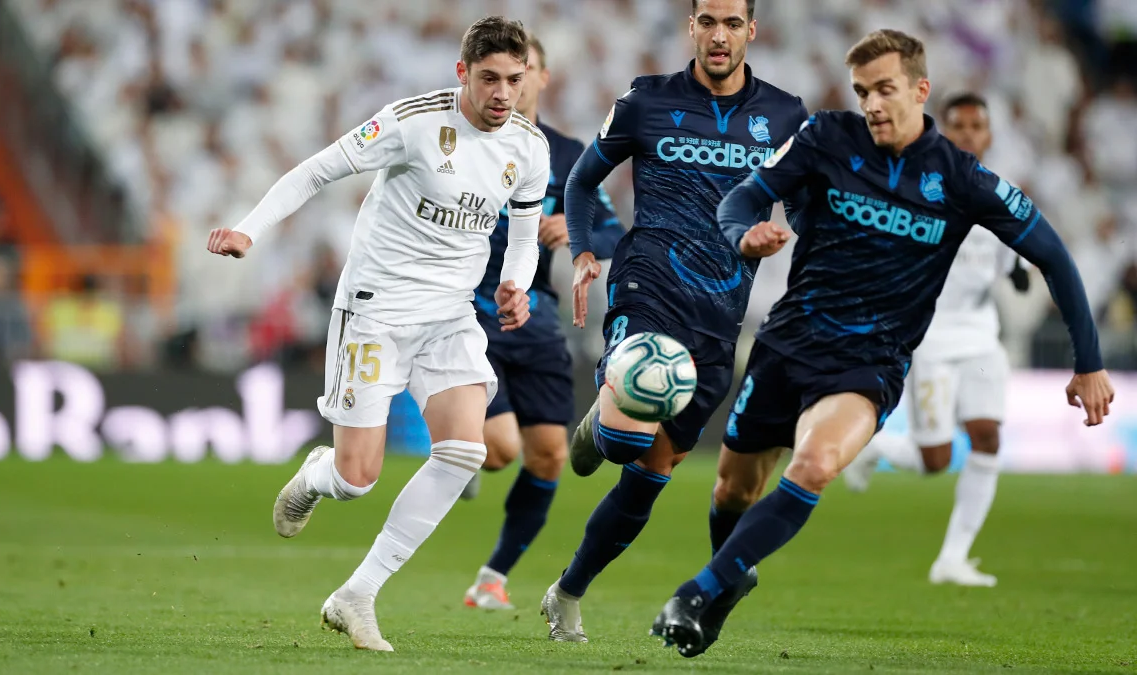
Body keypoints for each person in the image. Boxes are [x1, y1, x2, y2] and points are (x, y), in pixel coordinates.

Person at [652, 29, 1114, 658]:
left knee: (814, 465)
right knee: (731, 491)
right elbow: (744, 197)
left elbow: (1054, 255)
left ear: (920, 90)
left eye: (885, 89)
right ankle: (730, 577)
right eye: (863, 91)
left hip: (869, 363)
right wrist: (743, 235)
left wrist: (1089, 363)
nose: (871, 104)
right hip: (787, 345)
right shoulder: (825, 137)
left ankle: (697, 592)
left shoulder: (961, 177)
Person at [206, 16, 549, 652]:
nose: (503, 93)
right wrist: (249, 230)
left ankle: (356, 594)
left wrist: (516, 284)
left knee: (464, 452)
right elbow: (315, 172)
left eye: (514, 79)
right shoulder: (412, 122)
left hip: (450, 316)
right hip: (375, 311)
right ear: (462, 73)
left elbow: (525, 235)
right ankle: (319, 475)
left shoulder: (528, 147)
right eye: (489, 79)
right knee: (357, 478)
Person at [539, 0, 808, 642]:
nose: (719, 35)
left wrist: (794, 240)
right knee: (628, 439)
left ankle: (567, 591)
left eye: (732, 23)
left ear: (751, 30)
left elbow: (806, 205)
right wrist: (583, 252)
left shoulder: (785, 115)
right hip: (648, 284)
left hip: (721, 314)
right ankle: (606, 425)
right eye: (707, 21)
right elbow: (581, 182)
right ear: (691, 27)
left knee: (649, 478)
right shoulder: (646, 101)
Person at [460, 35, 625, 611]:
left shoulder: (569, 154)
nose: (514, 82)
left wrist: (574, 230)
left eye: (524, 70)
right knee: (500, 449)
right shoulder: (467, 139)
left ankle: (492, 577)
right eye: (500, 73)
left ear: (542, 77)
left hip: (536, 314)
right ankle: (457, 446)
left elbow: (612, 231)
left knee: (551, 455)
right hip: (467, 307)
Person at [843, 93, 1031, 588]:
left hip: (981, 338)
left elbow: (1013, 263)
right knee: (936, 460)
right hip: (930, 340)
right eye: (958, 125)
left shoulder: (1002, 197)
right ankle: (875, 449)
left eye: (976, 125)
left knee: (988, 436)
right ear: (943, 132)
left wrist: (1021, 274)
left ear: (988, 135)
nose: (968, 133)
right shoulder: (918, 188)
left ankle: (953, 557)